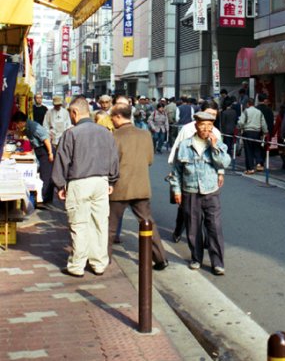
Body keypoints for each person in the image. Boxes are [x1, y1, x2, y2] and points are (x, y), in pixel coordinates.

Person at [51, 96, 119, 277]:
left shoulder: (71, 133)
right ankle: (98, 263)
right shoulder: (106, 132)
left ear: (75, 112)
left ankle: (77, 265)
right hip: (101, 182)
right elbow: (114, 159)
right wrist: (112, 181)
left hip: (79, 182)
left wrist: (59, 185)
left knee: (79, 224)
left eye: (71, 114)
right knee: (99, 223)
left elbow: (62, 161)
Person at [169, 111, 231, 274]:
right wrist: (177, 190)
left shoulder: (218, 144)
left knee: (214, 227)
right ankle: (196, 258)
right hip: (190, 191)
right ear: (196, 125)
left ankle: (217, 262)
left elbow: (224, 163)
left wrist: (215, 146)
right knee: (193, 227)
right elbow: (177, 170)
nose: (206, 128)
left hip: (211, 191)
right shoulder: (185, 145)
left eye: (209, 125)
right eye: (203, 125)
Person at [109, 102, 168, 270]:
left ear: (119, 116)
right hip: (141, 186)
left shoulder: (114, 136)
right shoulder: (145, 134)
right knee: (148, 222)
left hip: (119, 187)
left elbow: (111, 164)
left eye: (112, 117)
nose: (111, 120)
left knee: (110, 226)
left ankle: (104, 259)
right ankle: (161, 258)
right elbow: (149, 160)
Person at [168, 102, 223, 243]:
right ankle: (178, 230)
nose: (210, 118)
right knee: (184, 210)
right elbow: (176, 152)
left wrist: (221, 172)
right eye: (208, 114)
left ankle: (205, 241)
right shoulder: (187, 129)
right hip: (188, 179)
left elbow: (221, 156)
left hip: (207, 179)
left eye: (214, 116)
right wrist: (174, 176)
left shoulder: (215, 132)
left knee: (207, 214)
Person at [11, 111, 55, 205]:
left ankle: (44, 199)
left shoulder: (34, 126)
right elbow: (22, 133)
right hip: (39, 151)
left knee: (46, 175)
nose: (17, 126)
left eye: (16, 124)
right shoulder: (27, 127)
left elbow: (46, 138)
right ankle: (46, 198)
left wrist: (50, 153)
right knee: (45, 174)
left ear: (21, 122)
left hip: (45, 150)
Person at [238, 98, 268, 174]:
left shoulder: (246, 111)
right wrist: (265, 132)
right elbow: (263, 123)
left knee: (248, 151)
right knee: (257, 149)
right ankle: (259, 163)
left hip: (248, 132)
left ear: (248, 104)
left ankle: (250, 168)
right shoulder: (259, 112)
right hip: (257, 133)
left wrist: (239, 128)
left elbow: (241, 122)